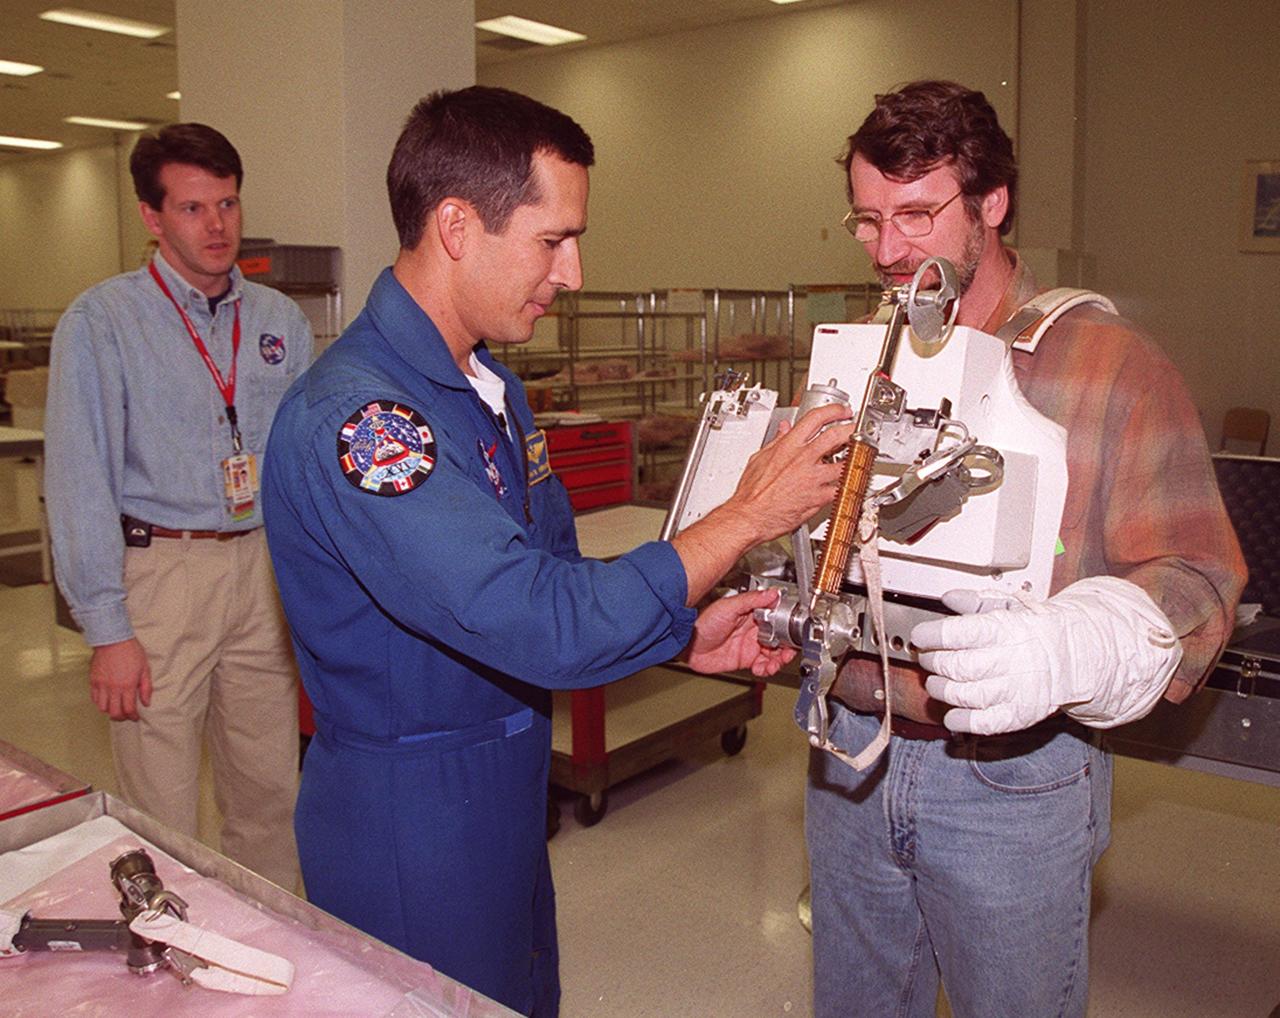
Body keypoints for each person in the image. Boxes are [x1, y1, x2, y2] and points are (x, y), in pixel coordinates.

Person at [261, 85, 852, 1017]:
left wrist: (677, 636)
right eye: (553, 240)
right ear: (457, 226)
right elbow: (534, 619)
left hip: (499, 794)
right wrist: (745, 514)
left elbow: (551, 579)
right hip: (411, 822)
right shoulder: (365, 424)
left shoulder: (487, 386)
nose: (573, 273)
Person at [805, 80, 1246, 1018]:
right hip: (848, 749)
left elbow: (1199, 576)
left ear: (991, 205)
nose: (887, 251)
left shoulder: (1108, 365)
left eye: (917, 216)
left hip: (1010, 784)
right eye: (867, 220)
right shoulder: (861, 361)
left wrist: (1069, 647)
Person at [44, 123, 312, 891]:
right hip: (161, 575)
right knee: (159, 800)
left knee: (268, 787)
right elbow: (78, 478)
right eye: (194, 208)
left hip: (261, 572)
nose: (218, 225)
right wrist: (107, 627)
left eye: (227, 203)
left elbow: (297, 466)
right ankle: (165, 955)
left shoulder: (277, 323)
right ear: (152, 218)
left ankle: (269, 937)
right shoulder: (102, 324)